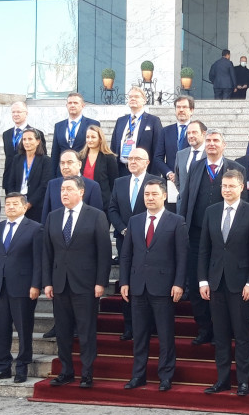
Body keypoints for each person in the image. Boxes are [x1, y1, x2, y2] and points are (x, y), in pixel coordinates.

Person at [197, 169, 249, 396]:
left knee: (242, 335)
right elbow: (204, 249)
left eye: (231, 186)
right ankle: (222, 380)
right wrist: (203, 280)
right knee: (221, 334)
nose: (227, 190)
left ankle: (243, 381)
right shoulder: (211, 212)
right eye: (224, 186)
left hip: (241, 284)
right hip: (215, 283)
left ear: (241, 187)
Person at [119, 179, 188, 392]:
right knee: (139, 335)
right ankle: (138, 375)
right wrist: (124, 281)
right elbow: (126, 255)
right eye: (147, 194)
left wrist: (179, 283)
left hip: (163, 287)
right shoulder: (135, 221)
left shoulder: (176, 221)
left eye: (154, 194)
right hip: (138, 286)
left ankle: (165, 376)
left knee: (165, 335)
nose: (149, 198)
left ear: (164, 196)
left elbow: (182, 256)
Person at [42, 176, 112, 389]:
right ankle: (66, 371)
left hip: (86, 284)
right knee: (63, 331)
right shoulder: (53, 217)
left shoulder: (96, 216)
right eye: (62, 189)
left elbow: (104, 252)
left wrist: (101, 282)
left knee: (86, 330)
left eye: (69, 189)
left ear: (81, 192)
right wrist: (47, 282)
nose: (64, 193)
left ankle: (87, 373)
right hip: (60, 283)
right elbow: (47, 253)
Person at [179, 129, 246, 345]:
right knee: (198, 281)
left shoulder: (237, 168)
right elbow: (187, 198)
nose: (211, 144)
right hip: (197, 234)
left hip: (226, 239)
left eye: (216, 140)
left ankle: (224, 332)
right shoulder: (196, 167)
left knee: (222, 285)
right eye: (208, 140)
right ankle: (204, 328)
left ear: (224, 145)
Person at [0, 193, 43, 383]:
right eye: (7, 204)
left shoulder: (35, 228)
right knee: (1, 328)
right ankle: (2, 366)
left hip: (23, 287)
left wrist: (36, 285)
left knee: (24, 328)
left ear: (24, 207)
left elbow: (39, 261)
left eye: (15, 204)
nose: (10, 207)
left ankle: (22, 366)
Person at [107, 147, 160, 340]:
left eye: (137, 158)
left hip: (150, 242)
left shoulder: (156, 182)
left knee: (150, 283)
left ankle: (152, 325)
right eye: (130, 158)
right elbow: (112, 209)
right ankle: (129, 326)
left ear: (147, 162)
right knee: (126, 282)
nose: (132, 161)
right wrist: (123, 229)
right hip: (125, 241)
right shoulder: (119, 182)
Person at [110, 86, 163, 177]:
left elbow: (157, 149)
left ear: (144, 100)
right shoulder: (121, 121)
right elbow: (113, 147)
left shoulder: (153, 121)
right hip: (121, 170)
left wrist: (154, 176)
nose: (133, 99)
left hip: (143, 171)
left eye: (137, 96)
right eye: (130, 97)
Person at [4, 129, 54, 223]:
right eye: (24, 139)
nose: (26, 142)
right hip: (17, 204)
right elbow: (11, 182)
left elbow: (44, 186)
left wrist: (29, 203)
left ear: (38, 141)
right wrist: (15, 200)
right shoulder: (17, 159)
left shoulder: (46, 161)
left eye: (30, 139)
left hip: (36, 205)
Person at [42, 149, 104, 223]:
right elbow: (46, 215)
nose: (65, 167)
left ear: (79, 164)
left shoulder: (92, 186)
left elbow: (96, 217)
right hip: (56, 232)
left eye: (69, 163)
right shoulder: (52, 185)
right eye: (62, 163)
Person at [1, 101, 47, 190]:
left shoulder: (37, 133)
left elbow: (42, 157)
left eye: (19, 112)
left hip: (29, 178)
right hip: (11, 179)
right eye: (13, 112)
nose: (15, 114)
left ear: (26, 113)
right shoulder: (6, 134)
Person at [51, 93, 99, 175]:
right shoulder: (59, 126)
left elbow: (96, 150)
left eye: (75, 103)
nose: (72, 105)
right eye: (70, 103)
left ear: (83, 105)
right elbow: (55, 153)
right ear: (66, 105)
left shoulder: (92, 124)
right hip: (63, 172)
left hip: (84, 171)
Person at [156, 96, 194, 183]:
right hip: (171, 181)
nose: (181, 110)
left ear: (191, 110)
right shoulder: (165, 131)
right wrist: (169, 173)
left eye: (184, 107)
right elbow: (158, 158)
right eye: (178, 107)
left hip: (192, 179)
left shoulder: (199, 131)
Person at [174, 120, 207, 212]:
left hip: (203, 207)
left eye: (194, 132)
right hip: (183, 206)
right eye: (188, 133)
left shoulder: (211, 154)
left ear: (203, 134)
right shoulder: (180, 155)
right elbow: (178, 180)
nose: (191, 136)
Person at [79, 125, 119, 199]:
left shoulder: (109, 157)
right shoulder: (81, 157)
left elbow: (113, 182)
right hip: (83, 199)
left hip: (102, 200)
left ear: (100, 139)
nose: (90, 140)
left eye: (93, 137)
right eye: (87, 137)